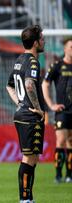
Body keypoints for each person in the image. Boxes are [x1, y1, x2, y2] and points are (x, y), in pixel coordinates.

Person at [6, 25, 45, 203]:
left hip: (22, 114)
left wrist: (20, 103)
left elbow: (9, 86)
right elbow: (29, 84)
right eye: (42, 38)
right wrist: (36, 107)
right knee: (29, 158)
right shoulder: (33, 62)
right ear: (36, 42)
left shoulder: (19, 60)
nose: (44, 41)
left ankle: (28, 197)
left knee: (33, 158)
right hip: (30, 116)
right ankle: (24, 199)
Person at [42, 37, 72, 183]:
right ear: (65, 49)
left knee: (71, 143)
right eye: (71, 47)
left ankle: (69, 175)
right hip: (62, 111)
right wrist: (51, 104)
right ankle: (58, 174)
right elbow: (45, 84)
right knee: (60, 141)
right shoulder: (57, 66)